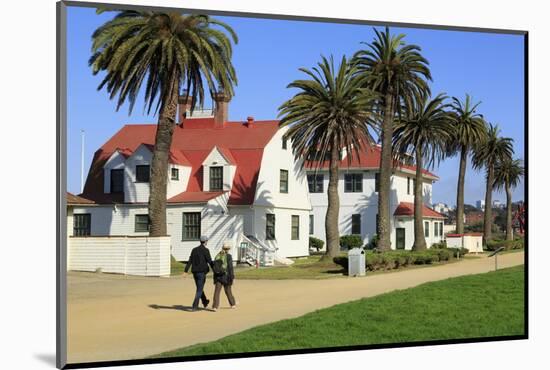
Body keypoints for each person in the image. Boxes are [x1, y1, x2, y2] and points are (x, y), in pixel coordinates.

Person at [184, 235, 214, 311]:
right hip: (202, 272)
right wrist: (215, 270)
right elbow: (210, 261)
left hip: (195, 272)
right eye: (207, 241)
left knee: (199, 288)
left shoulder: (194, 250)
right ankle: (194, 306)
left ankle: (205, 301)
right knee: (199, 290)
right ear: (206, 241)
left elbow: (190, 260)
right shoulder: (206, 250)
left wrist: (186, 271)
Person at [211, 243, 237, 312]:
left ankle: (215, 306)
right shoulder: (229, 256)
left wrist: (215, 277)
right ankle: (232, 304)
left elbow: (215, 266)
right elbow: (230, 268)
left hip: (218, 277)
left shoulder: (218, 255)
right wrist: (232, 277)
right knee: (228, 291)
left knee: (217, 291)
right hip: (226, 276)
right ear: (228, 249)